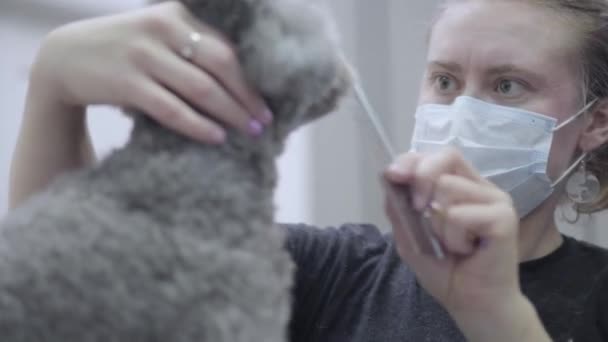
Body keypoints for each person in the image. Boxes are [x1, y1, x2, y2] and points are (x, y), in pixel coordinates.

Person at [9, 0, 608, 341]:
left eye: (508, 85)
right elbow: (83, 287)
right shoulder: (339, 271)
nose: (462, 112)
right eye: (445, 81)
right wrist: (54, 88)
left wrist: (493, 312)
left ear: (595, 122)